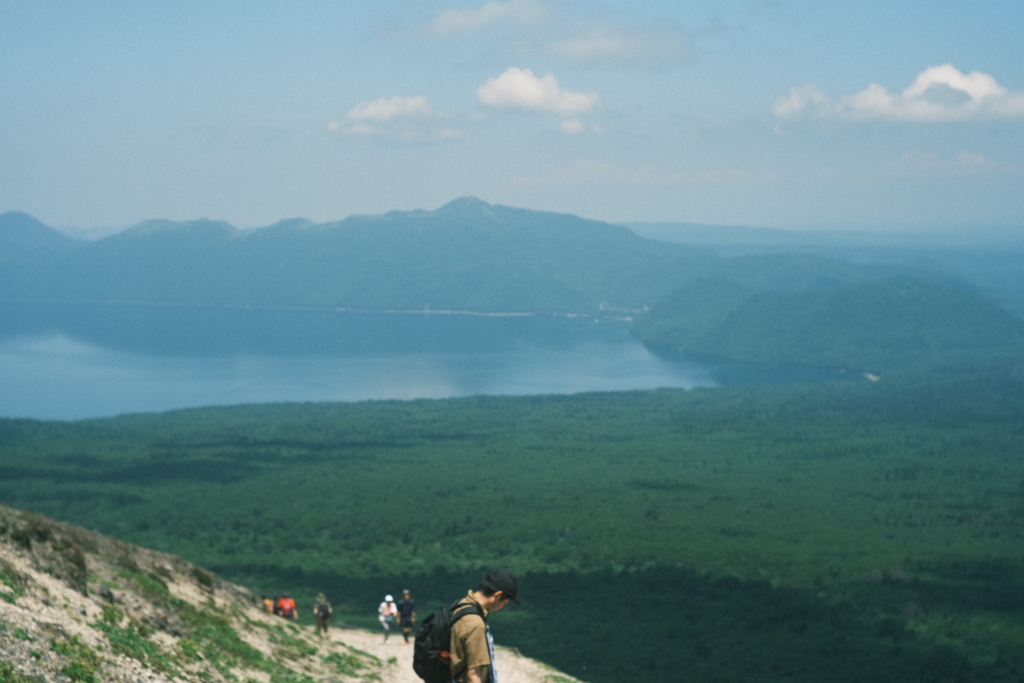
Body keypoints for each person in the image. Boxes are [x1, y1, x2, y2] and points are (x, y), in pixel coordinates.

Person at [450, 570, 518, 683]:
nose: (503, 606)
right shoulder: (475, 624)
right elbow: (473, 674)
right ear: (498, 595)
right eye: (505, 603)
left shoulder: (461, 604)